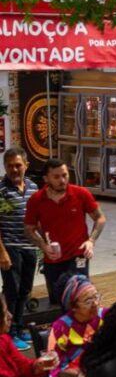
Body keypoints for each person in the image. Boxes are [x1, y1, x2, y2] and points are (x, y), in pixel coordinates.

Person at [23, 158, 106, 305]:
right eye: (56, 177)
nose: (62, 180)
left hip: (78, 256)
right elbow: (29, 229)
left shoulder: (81, 194)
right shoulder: (36, 200)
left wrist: (91, 241)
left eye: (65, 175)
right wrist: (43, 246)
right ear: (46, 178)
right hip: (53, 258)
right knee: (57, 301)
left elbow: (100, 218)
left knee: (81, 299)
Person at [0, 147, 38, 350]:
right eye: (9, 166)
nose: (14, 170)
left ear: (26, 165)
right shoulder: (1, 191)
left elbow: (36, 220)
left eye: (18, 165)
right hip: (10, 247)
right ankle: (9, 331)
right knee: (12, 290)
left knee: (24, 290)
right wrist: (2, 252)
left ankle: (19, 326)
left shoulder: (33, 187)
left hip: (29, 247)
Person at [48, 273, 105, 377]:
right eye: (88, 301)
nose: (96, 303)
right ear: (73, 306)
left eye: (96, 296)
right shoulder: (60, 328)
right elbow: (53, 367)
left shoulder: (105, 316)